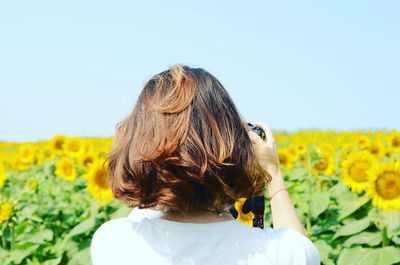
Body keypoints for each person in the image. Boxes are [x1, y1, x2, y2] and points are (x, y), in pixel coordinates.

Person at [90, 64, 321, 265]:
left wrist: (147, 148)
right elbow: (301, 249)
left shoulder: (113, 242)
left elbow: (150, 201)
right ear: (236, 147)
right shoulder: (281, 253)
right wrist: (272, 171)